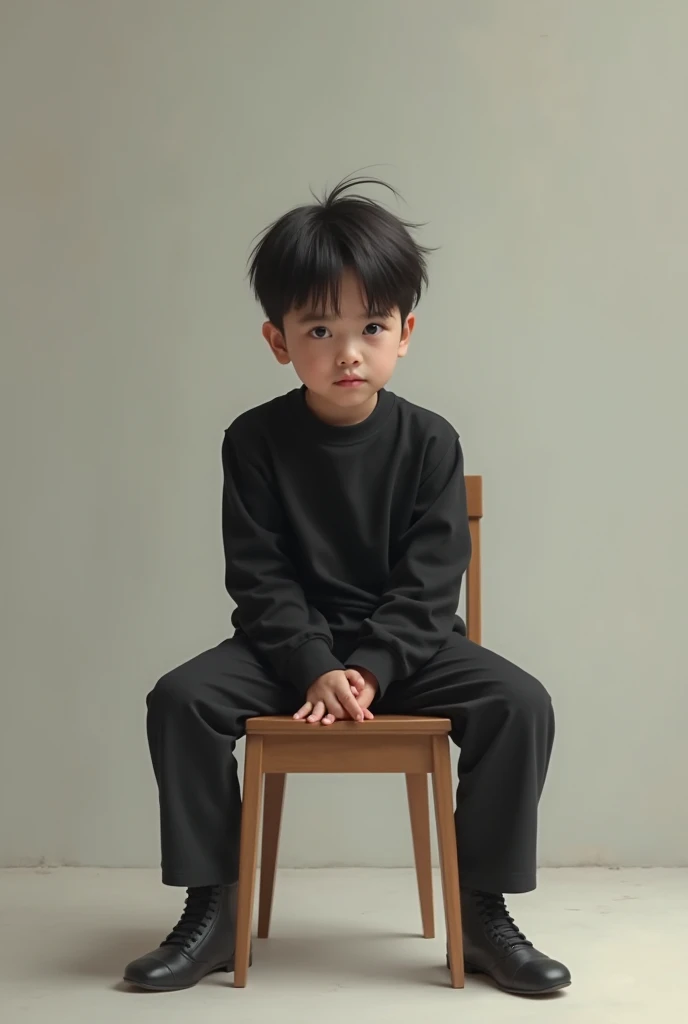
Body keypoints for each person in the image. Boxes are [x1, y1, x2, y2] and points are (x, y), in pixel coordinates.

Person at [123, 176, 571, 997]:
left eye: (371, 326)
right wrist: (314, 665)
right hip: (285, 647)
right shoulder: (253, 441)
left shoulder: (430, 442)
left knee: (521, 701)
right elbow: (259, 577)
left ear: (406, 332)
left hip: (411, 647)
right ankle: (211, 910)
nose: (347, 351)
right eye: (319, 329)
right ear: (277, 339)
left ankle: (483, 913)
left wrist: (372, 666)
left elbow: (434, 581)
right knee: (179, 699)